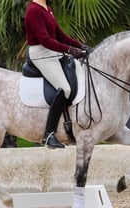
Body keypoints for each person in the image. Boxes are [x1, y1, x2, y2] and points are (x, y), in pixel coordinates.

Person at [24, 0, 88, 149]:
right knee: (64, 88)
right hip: (41, 53)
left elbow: (59, 35)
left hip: (54, 52)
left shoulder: (47, 8)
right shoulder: (34, 10)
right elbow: (45, 40)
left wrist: (79, 45)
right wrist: (70, 50)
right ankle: (48, 134)